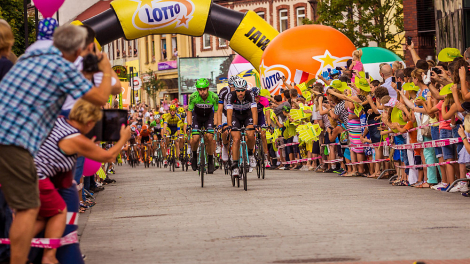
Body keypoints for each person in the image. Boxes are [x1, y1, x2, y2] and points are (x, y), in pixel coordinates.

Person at [0, 24, 114, 264]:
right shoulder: (63, 67)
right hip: (13, 140)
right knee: (28, 208)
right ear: (78, 50)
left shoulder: (36, 54)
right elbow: (100, 98)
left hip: (10, 134)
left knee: (27, 208)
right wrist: (104, 67)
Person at [33, 99, 130, 264]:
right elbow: (108, 157)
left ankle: (17, 243)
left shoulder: (61, 123)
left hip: (31, 175)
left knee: (42, 218)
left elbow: (61, 152)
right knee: (59, 211)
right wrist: (123, 139)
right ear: (89, 122)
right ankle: (48, 256)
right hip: (39, 179)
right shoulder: (74, 137)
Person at [226, 78, 258, 178]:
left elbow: (254, 111)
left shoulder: (250, 94)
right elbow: (229, 112)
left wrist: (255, 125)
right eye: (238, 90)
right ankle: (235, 166)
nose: (240, 92)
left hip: (247, 115)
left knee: (250, 133)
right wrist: (229, 125)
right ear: (235, 90)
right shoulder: (231, 96)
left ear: (246, 89)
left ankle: (250, 153)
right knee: (236, 139)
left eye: (242, 90)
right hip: (236, 116)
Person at [187, 78, 219, 173]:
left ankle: (210, 161)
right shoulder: (193, 97)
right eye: (200, 90)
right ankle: (194, 156)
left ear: (208, 88)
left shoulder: (214, 97)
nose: (202, 92)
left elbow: (216, 112)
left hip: (208, 118)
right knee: (195, 138)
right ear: (197, 90)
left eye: (204, 89)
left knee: (209, 138)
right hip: (197, 118)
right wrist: (189, 125)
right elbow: (189, 112)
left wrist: (215, 125)